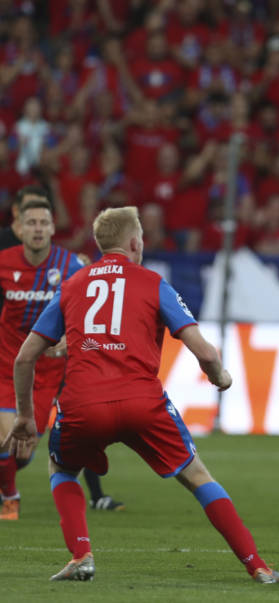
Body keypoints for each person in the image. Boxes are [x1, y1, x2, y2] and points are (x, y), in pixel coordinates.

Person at [3, 207, 279, 583]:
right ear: (135, 243)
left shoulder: (72, 285)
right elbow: (204, 352)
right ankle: (257, 566)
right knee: (197, 475)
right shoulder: (153, 282)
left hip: (83, 403)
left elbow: (25, 358)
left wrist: (24, 416)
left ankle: (81, 555)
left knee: (62, 469)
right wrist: (221, 377)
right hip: (142, 403)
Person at [0, 186, 123, 521]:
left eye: (44, 222)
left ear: (53, 228)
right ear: (20, 229)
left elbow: (86, 314)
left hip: (48, 374)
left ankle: (8, 482)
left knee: (22, 454)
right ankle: (10, 498)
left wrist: (68, 339)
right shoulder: (4, 263)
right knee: (4, 436)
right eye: (32, 223)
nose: (38, 228)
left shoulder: (70, 267)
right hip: (8, 366)